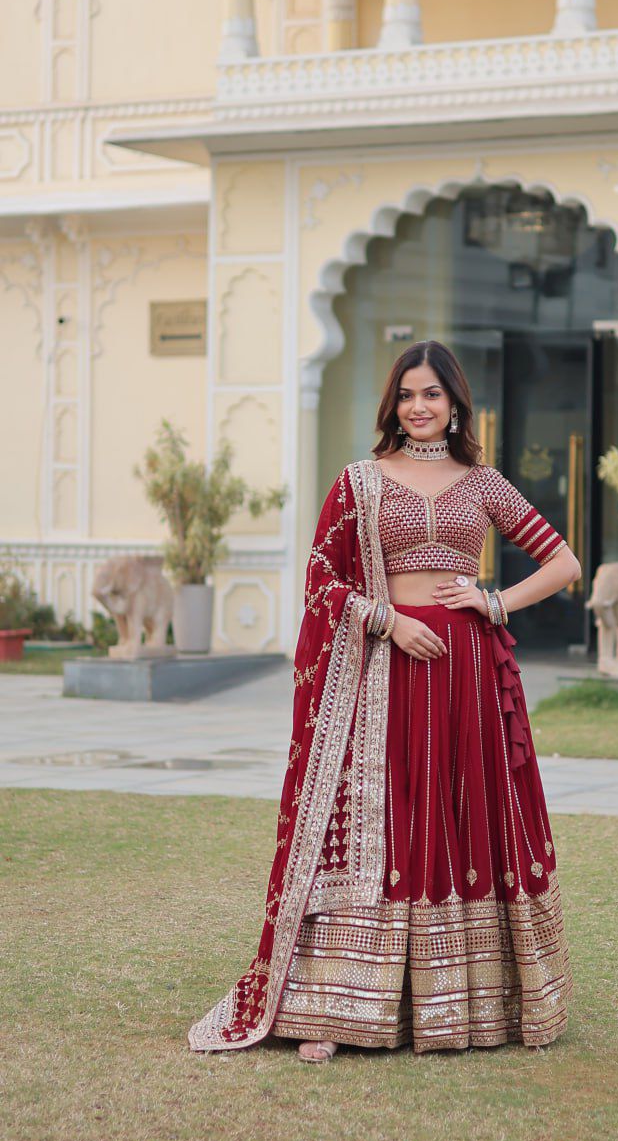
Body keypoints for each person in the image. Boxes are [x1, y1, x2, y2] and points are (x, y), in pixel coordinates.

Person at [189, 340, 582, 1061]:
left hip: (466, 672)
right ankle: (336, 1008)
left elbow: (564, 561)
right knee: (385, 825)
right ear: (391, 404)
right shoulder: (359, 482)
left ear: (456, 403)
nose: (419, 407)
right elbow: (319, 577)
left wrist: (495, 602)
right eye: (407, 394)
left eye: (432, 394)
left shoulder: (483, 483)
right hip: (382, 676)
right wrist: (387, 621)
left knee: (459, 817)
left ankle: (468, 1005)